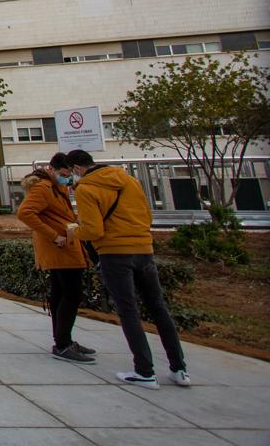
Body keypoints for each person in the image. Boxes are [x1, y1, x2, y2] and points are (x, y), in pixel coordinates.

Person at [69, 149, 190, 389]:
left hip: (115, 253)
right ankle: (179, 369)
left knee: (129, 311)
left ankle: (144, 371)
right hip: (144, 249)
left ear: (76, 169)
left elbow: (93, 231)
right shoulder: (129, 181)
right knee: (158, 308)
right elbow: (146, 215)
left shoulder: (86, 189)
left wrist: (74, 231)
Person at [16, 152, 95, 363]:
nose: (67, 177)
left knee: (61, 294)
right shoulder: (43, 187)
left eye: (69, 173)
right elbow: (25, 213)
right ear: (52, 169)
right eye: (63, 173)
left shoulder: (56, 186)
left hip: (65, 248)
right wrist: (54, 236)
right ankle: (62, 343)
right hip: (59, 249)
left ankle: (63, 340)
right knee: (70, 294)